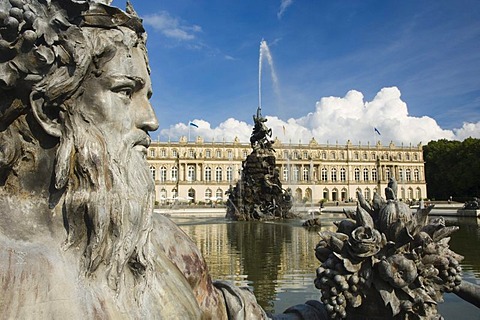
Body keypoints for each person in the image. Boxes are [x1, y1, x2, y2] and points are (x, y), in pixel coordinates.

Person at [0, 1, 328, 319]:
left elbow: (226, 311)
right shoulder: (11, 275)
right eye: (126, 91)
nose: (152, 120)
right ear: (49, 111)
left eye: (148, 96)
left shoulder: (162, 241)